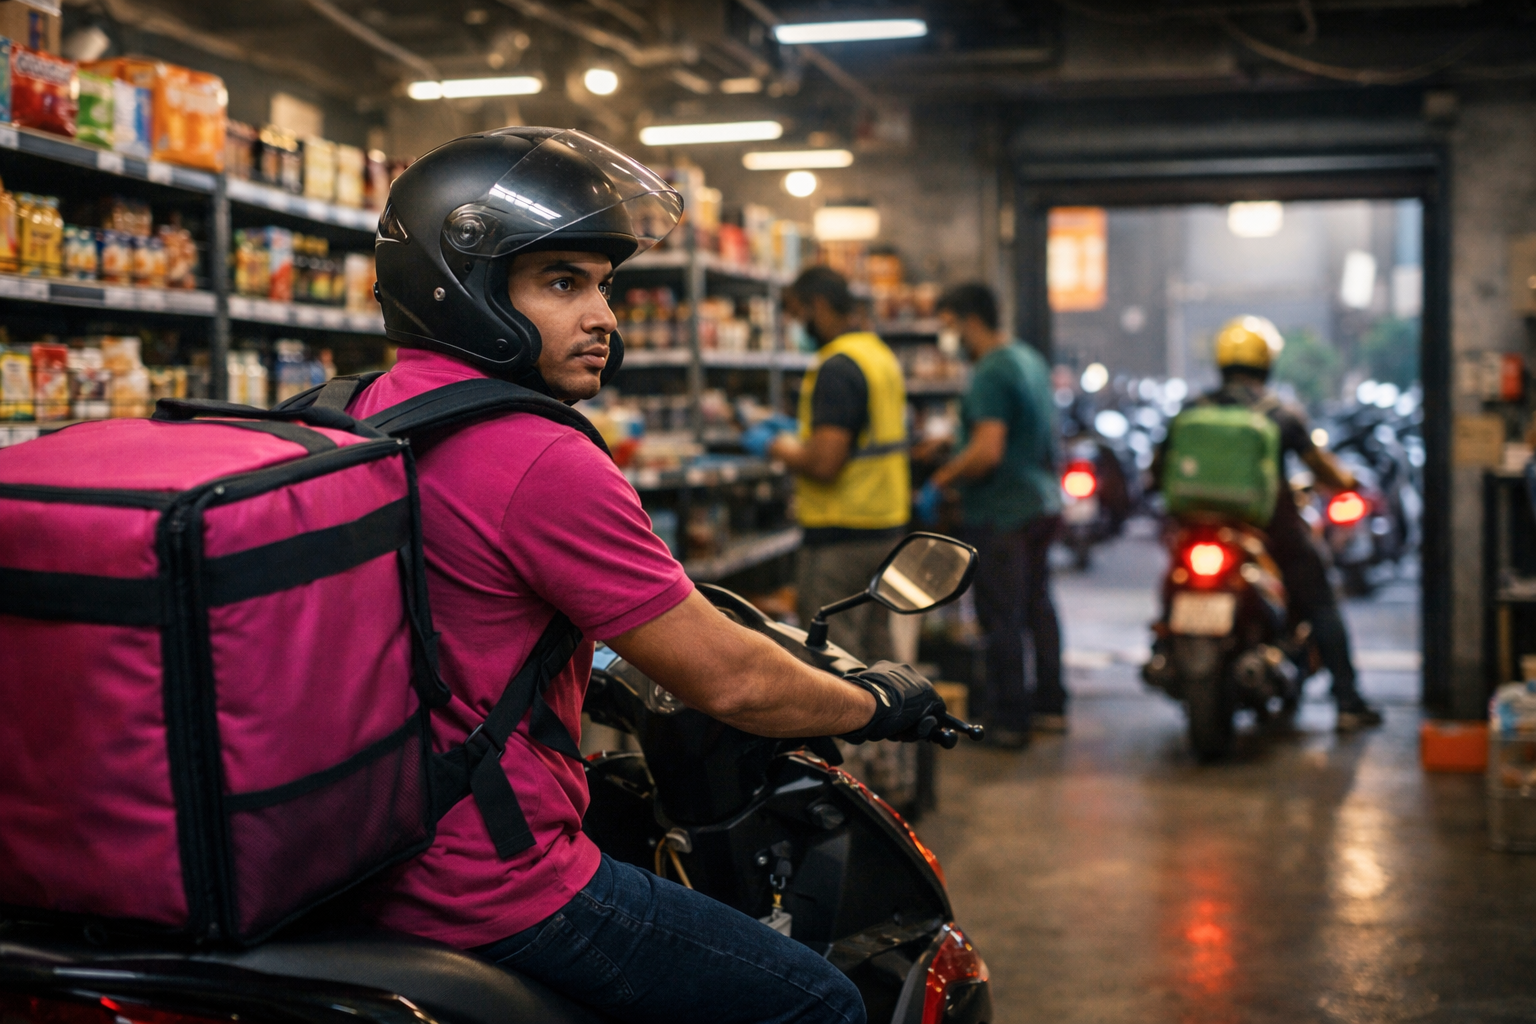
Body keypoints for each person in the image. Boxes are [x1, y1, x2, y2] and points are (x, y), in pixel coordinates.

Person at [351, 127, 948, 1024]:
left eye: (604, 286)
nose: (605, 317)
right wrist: (878, 703)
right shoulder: (539, 457)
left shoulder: (363, 409)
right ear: (461, 286)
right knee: (820, 1002)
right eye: (562, 282)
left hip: (369, 851)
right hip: (489, 881)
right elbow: (737, 682)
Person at [1173, 316, 1383, 731]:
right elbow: (1323, 469)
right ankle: (1347, 701)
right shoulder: (1280, 414)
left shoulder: (1193, 409)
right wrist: (1348, 481)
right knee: (1321, 600)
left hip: (1198, 526)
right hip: (1270, 530)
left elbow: (1158, 467)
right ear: (1267, 363)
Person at [921, 284, 1065, 748]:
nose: (949, 338)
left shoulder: (990, 372)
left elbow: (987, 452)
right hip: (1040, 503)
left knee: (1000, 614)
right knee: (1037, 606)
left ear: (968, 320)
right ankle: (1049, 704)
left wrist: (942, 478)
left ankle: (1009, 719)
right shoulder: (1027, 358)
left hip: (1002, 511)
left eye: (948, 326)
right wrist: (953, 446)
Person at [749, 266, 910, 663]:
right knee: (877, 650)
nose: (794, 324)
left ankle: (845, 729)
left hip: (842, 536)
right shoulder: (877, 355)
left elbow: (825, 463)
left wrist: (773, 445)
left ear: (817, 306)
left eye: (795, 312)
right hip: (885, 527)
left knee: (833, 658)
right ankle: (890, 725)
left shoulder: (836, 366)